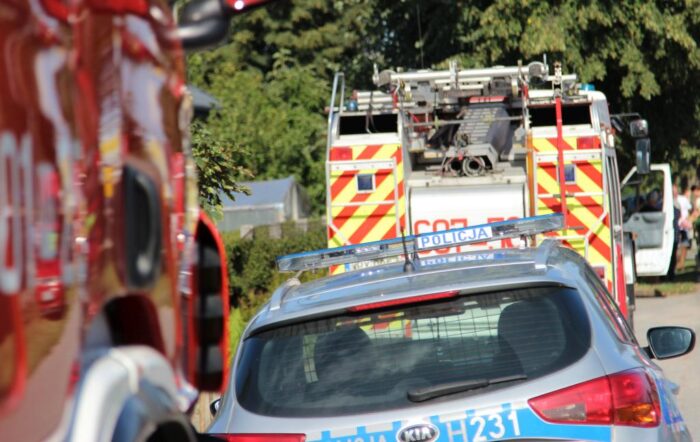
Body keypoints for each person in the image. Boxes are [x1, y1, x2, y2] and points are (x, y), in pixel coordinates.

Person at [676, 184, 693, 271]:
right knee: (680, 245)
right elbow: (690, 209)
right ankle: (679, 264)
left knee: (682, 245)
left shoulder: (681, 199)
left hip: (682, 225)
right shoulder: (682, 199)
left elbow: (690, 209)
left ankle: (680, 264)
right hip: (679, 225)